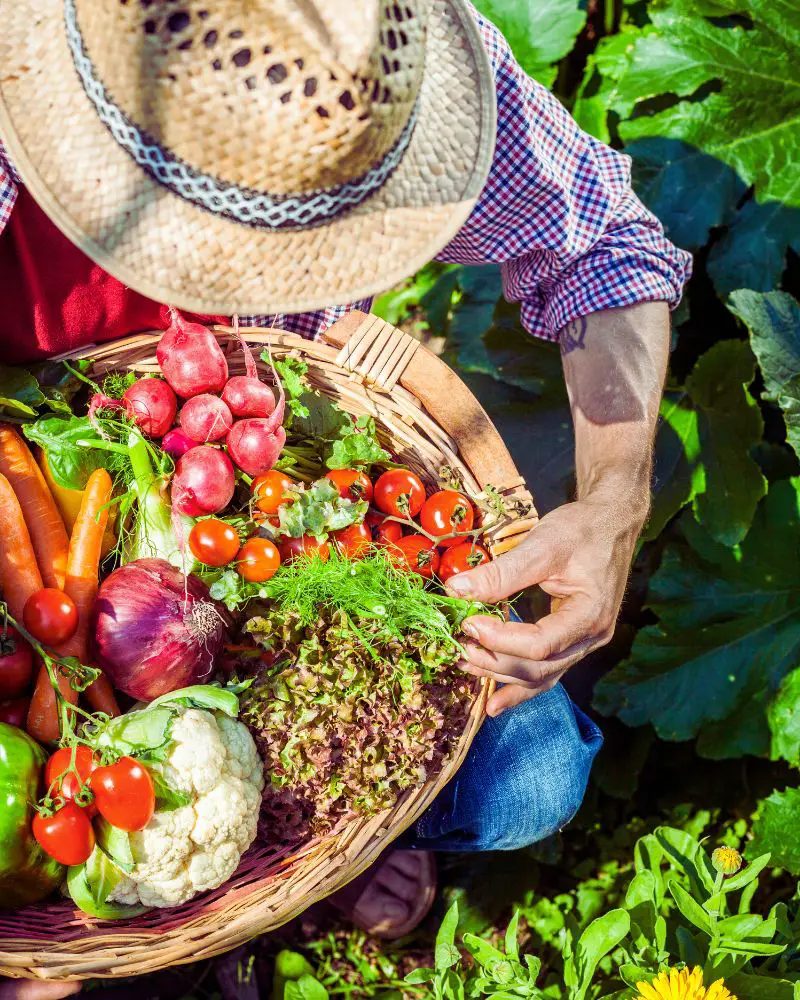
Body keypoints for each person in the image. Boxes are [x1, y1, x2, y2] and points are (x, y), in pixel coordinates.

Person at [0, 0, 690, 960]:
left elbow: (604, 239)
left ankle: (302, 861)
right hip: (40, 503)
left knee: (535, 777)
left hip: (277, 523)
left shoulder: (368, 59)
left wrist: (616, 501)